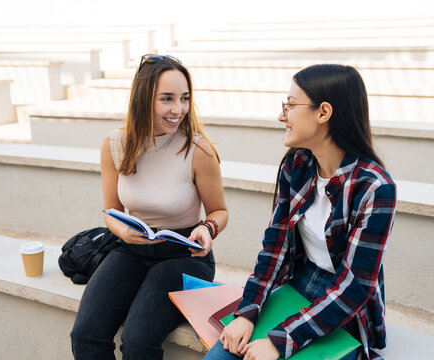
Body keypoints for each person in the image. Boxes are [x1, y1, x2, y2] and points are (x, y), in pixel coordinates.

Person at [204, 64, 397, 360]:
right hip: (299, 282)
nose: (282, 116)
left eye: (290, 105)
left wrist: (280, 341)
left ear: (323, 113)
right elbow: (275, 248)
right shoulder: (296, 165)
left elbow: (354, 288)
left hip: (343, 305)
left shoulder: (374, 188)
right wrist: (247, 311)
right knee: (222, 356)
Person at [71, 54, 228, 360]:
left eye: (184, 98)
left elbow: (219, 211)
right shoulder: (114, 144)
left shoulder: (198, 148)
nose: (178, 109)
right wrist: (123, 232)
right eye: (166, 99)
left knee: (139, 341)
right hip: (129, 248)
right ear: (144, 99)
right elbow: (110, 210)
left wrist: (207, 229)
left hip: (183, 255)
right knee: (86, 335)